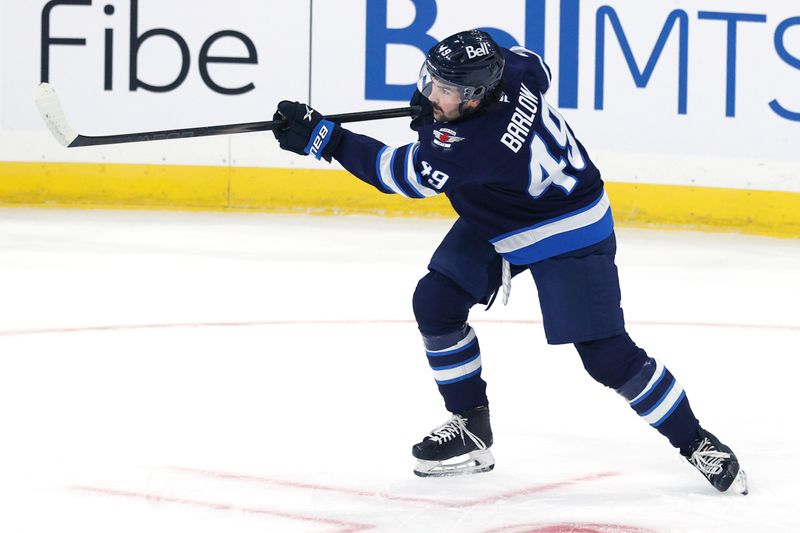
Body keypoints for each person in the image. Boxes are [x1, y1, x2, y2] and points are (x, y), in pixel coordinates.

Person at [271, 29, 747, 493]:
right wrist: (437, 110)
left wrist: (326, 139)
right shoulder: (510, 68)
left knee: (606, 357)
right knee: (435, 303)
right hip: (504, 210)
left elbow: (400, 175)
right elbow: (537, 66)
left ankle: (698, 442)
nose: (432, 93)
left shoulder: (475, 145)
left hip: (569, 229)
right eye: (431, 82)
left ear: (478, 95)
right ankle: (471, 426)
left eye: (447, 90)